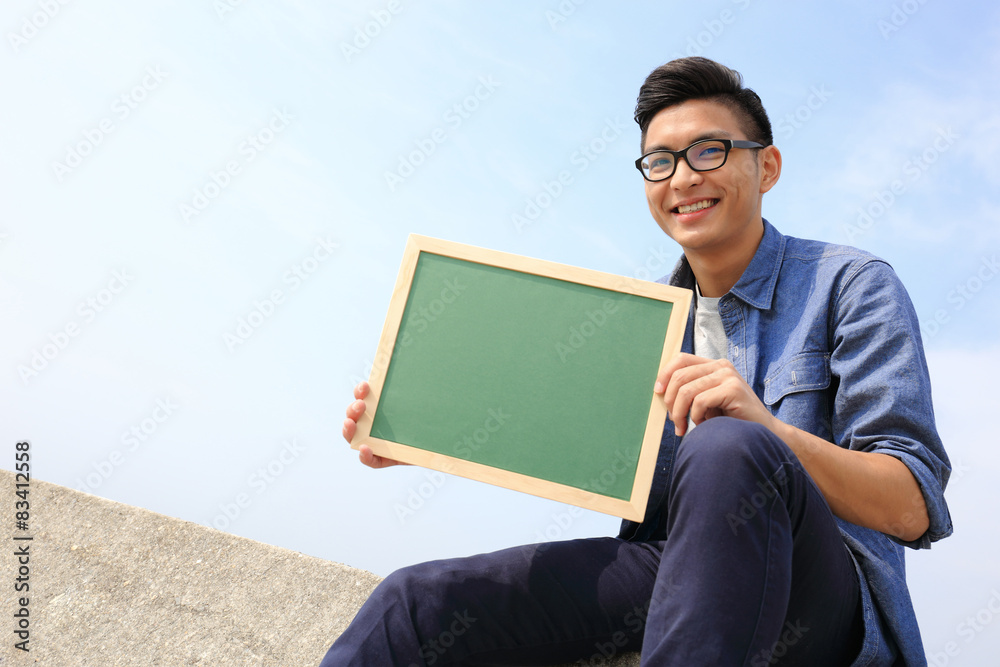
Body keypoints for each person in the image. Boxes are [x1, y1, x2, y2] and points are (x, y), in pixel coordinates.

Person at [320, 57, 952, 666]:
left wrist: (770, 431)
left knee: (728, 447)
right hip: (677, 575)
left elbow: (910, 506)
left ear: (767, 168)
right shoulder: (636, 331)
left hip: (817, 598)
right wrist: (428, 429)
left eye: (710, 151)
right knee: (413, 604)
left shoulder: (850, 285)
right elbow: (562, 443)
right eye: (660, 162)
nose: (682, 178)